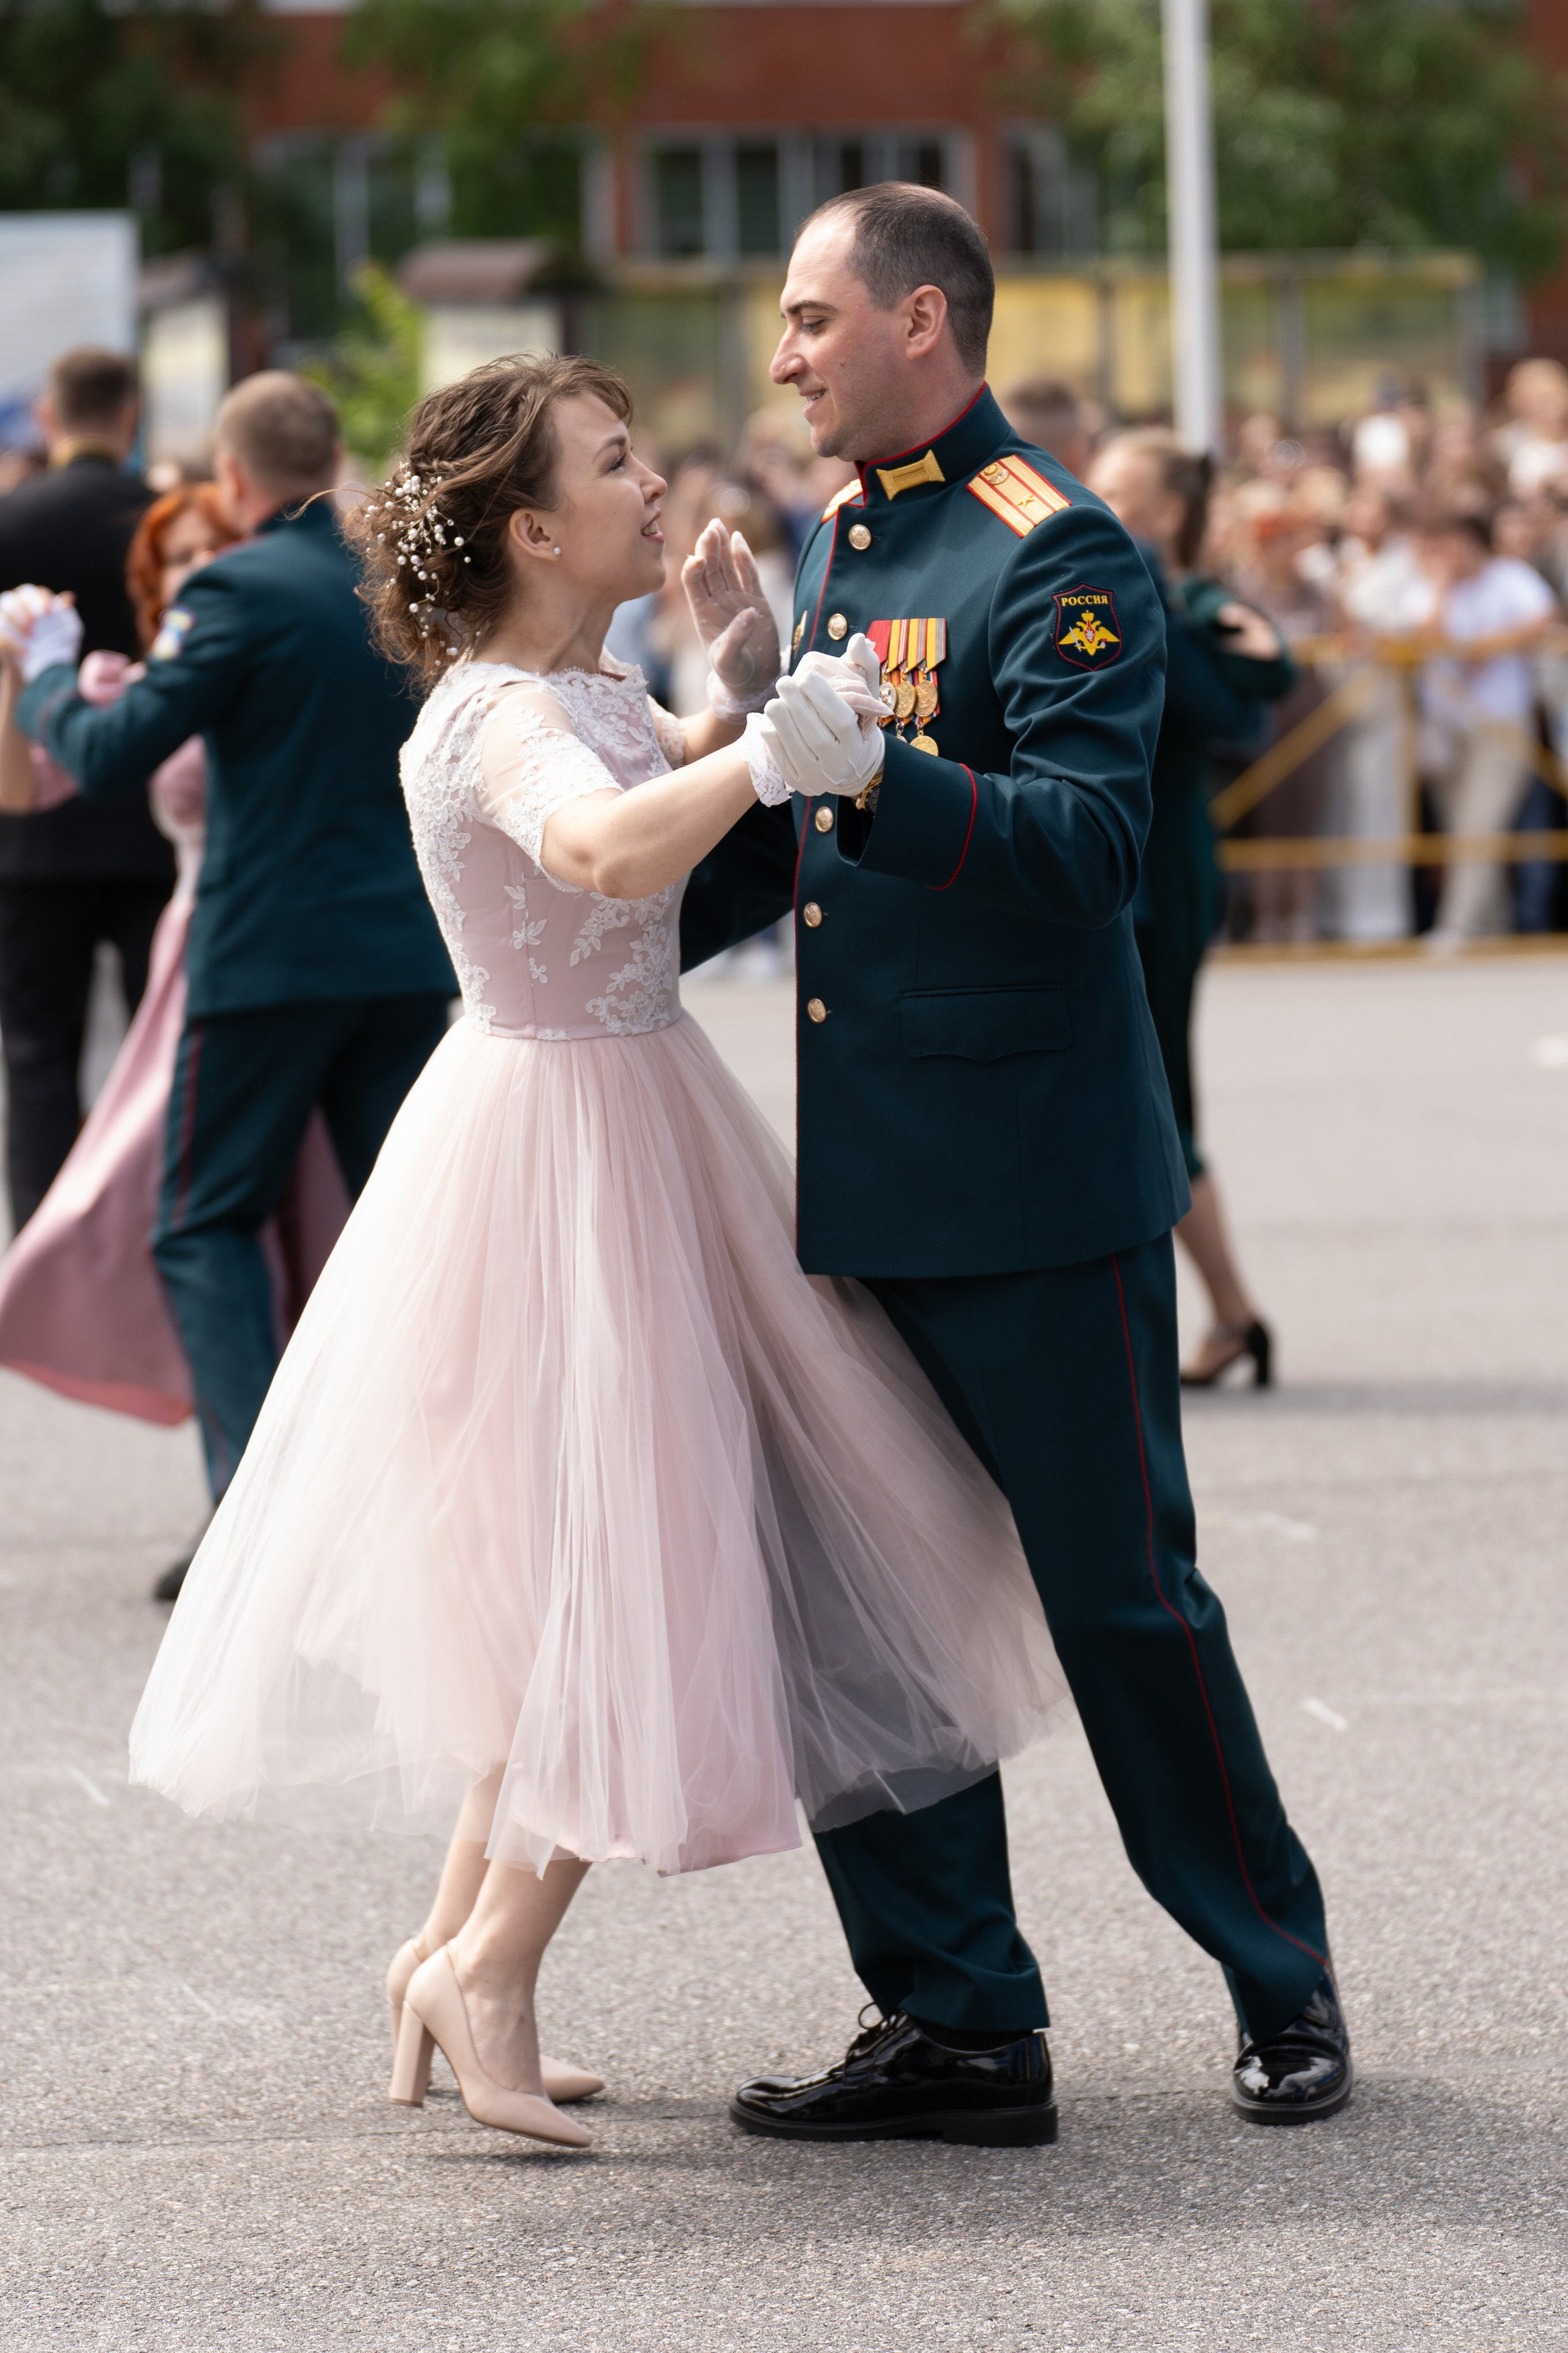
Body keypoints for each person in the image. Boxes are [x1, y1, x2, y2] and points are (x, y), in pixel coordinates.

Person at [122, 352, 1066, 2153]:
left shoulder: (569, 680)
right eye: (616, 464)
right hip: (566, 1149)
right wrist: (770, 749)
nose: (655, 485)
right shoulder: (496, 715)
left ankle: (453, 1959)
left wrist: (737, 704)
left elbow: (650, 785)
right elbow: (600, 849)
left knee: (580, 1565)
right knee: (621, 1560)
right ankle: (484, 1961)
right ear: (533, 526)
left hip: (616, 1120)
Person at [681, 181, 1349, 2130]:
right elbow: (804, 827)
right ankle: (959, 2012)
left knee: (1124, 1603)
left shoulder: (1050, 548)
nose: (784, 354)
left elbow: (1085, 849)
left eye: (811, 318)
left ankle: (1278, 1970)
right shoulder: (836, 538)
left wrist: (860, 768)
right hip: (871, 1172)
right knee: (855, 1605)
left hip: (1035, 1185)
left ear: (920, 321)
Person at [7, 373, 455, 1595]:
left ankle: (262, 1516)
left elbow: (106, 753)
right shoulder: (400, 585)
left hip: (266, 959)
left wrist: (47, 667)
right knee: (403, 1234)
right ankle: (447, 1495)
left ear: (235, 480)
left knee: (203, 1221)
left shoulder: (236, 586)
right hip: (409, 956)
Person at [0, 485, 347, 1433]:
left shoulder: (266, 649)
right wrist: (24, 672)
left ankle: (292, 1473)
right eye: (179, 555)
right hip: (200, 961)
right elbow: (26, 784)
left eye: (212, 546)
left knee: (302, 1224)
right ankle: (239, 1489)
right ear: (155, 581)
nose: (199, 567)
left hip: (274, 957)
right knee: (181, 1219)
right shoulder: (142, 677)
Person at [1080, 431, 1291, 1386]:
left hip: (1162, 878)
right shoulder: (1124, 588)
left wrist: (1168, 601)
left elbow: (1238, 696)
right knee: (1135, 1097)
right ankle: (1219, 1317)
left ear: (1165, 514)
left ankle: (1233, 1314)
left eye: (1119, 489)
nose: (1096, 496)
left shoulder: (1181, 599)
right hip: (1122, 875)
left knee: (1158, 1099)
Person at [0, 348, 175, 1232]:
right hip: (153, 821)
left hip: (30, 829)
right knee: (160, 1048)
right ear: (131, 414)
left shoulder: (11, 519)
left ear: (48, 418)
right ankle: (152, 1220)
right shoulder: (166, 519)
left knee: (35, 1049)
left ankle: (39, 1232)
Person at [1415, 505, 1558, 948]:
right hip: (1447, 726)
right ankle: (1490, 925)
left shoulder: (1510, 578)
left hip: (1501, 725)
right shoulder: (1432, 585)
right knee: (1460, 826)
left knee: (1481, 824)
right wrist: (1441, 587)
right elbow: (1423, 635)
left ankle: (1457, 926)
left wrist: (1488, 646)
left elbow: (1543, 616)